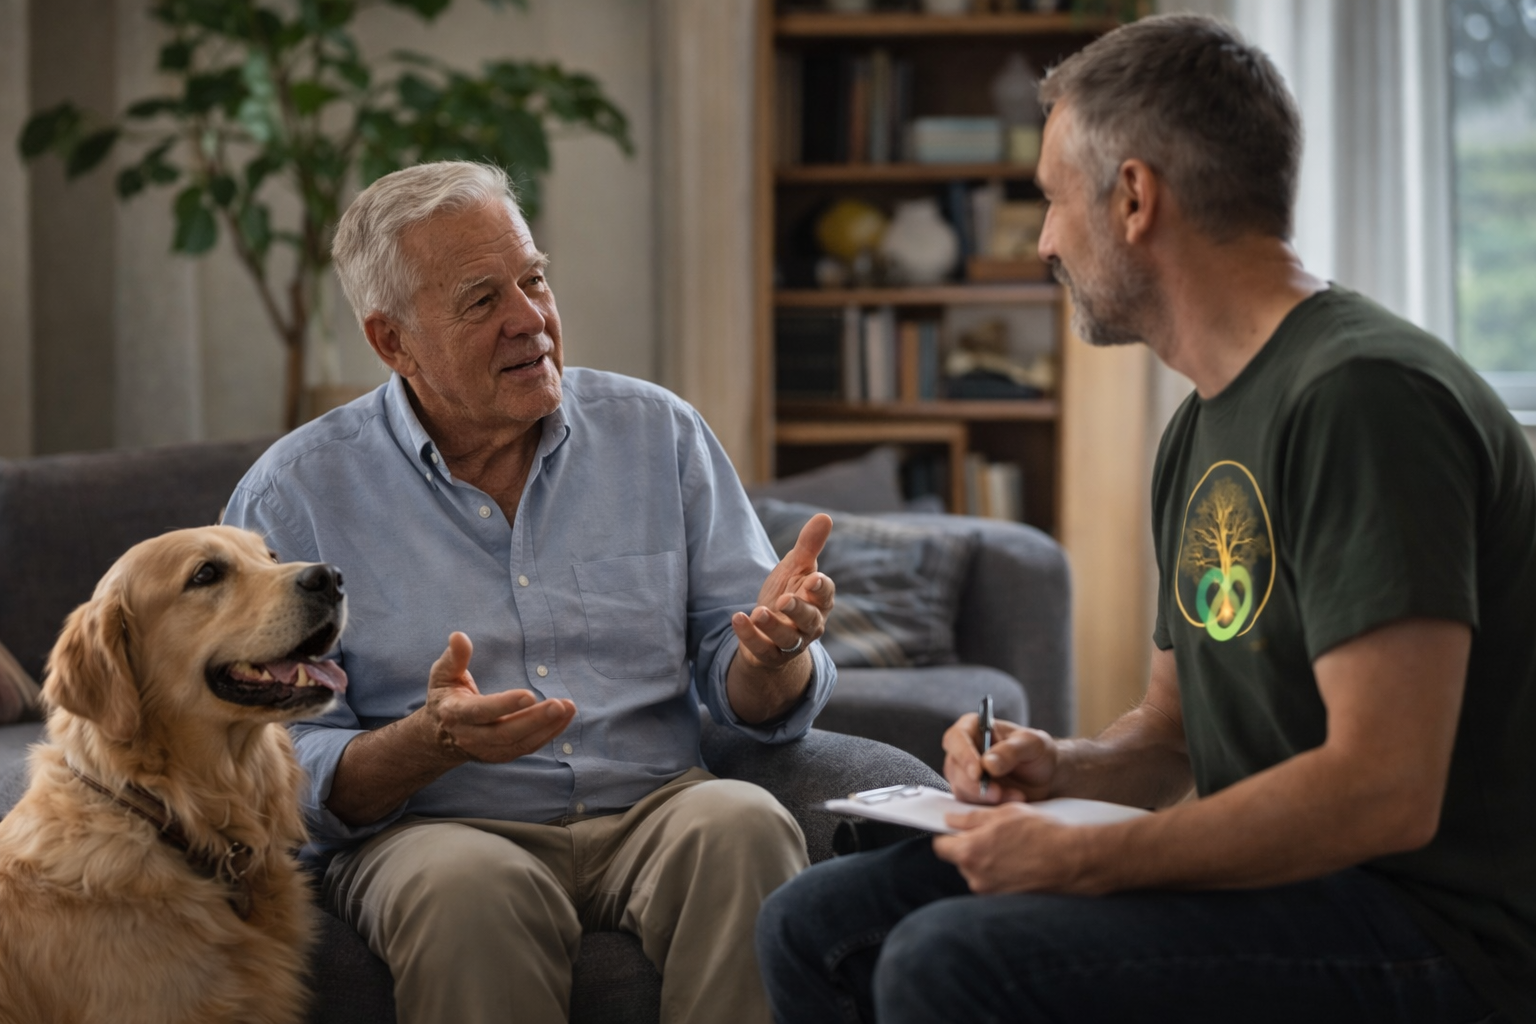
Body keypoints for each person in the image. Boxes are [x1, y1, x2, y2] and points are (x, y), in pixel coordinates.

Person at [755, 14, 1536, 1024]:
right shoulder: (1203, 421)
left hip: (1433, 931)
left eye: (1047, 200)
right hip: (1291, 891)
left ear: (1132, 196)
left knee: (950, 959)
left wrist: (1087, 856)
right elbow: (1169, 732)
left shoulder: (1362, 396)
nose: (1040, 240)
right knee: (813, 923)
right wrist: (1059, 766)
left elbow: (1383, 788)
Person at [223, 160, 839, 1024]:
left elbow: (742, 682)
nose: (531, 319)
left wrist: (775, 653)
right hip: (434, 830)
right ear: (392, 341)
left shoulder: (658, 433)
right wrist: (426, 742)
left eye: (535, 279)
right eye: (482, 301)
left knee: (743, 824)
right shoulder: (295, 494)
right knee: (465, 888)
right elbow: (272, 766)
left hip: (652, 803)